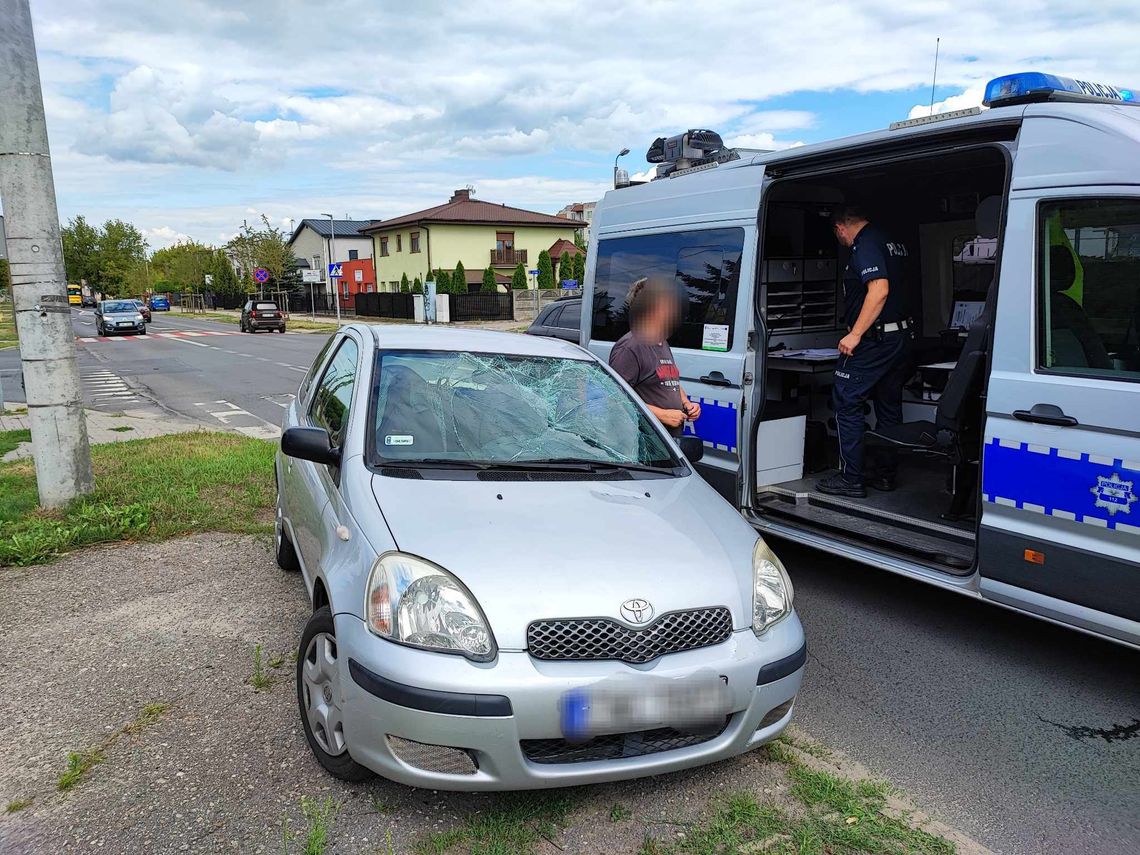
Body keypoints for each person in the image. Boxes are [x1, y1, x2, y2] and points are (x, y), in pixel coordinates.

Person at [817, 204, 913, 498]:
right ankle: (885, 475)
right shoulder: (890, 240)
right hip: (900, 338)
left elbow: (879, 289)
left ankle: (851, 478)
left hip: (874, 341)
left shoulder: (866, 243)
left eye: (838, 236)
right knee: (888, 406)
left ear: (840, 227)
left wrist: (855, 334)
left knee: (847, 403)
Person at [608, 276, 701, 436]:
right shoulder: (630, 347)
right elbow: (614, 398)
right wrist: (661, 415)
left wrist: (686, 403)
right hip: (644, 445)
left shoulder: (661, 341)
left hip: (667, 442)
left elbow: (670, 380)